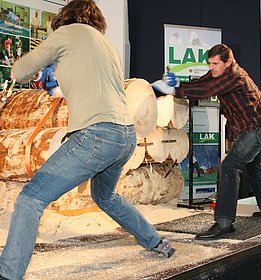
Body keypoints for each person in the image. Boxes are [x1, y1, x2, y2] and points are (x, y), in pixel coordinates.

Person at [0, 1, 175, 279]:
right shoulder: (106, 46)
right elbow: (95, 87)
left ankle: (8, 273)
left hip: (96, 135)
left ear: (65, 17)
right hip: (124, 135)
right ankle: (157, 242)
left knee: (30, 199)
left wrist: (28, 71)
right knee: (105, 197)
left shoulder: (67, 34)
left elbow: (20, 70)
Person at [168, 44, 261, 240]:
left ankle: (224, 223)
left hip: (260, 128)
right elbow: (203, 82)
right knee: (252, 165)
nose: (212, 68)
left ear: (228, 62)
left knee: (230, 165)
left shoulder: (233, 76)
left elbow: (206, 90)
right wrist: (178, 83)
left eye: (215, 63)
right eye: (210, 63)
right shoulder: (219, 73)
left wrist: (175, 90)